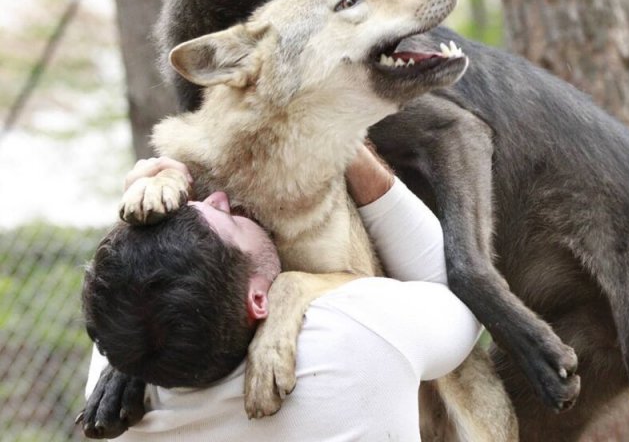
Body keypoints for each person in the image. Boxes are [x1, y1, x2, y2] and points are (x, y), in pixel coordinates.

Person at [83, 148, 481, 441]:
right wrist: (346, 143)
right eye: (228, 219)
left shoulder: (117, 391)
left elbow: (127, 301)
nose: (219, 196)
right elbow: (462, 301)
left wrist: (146, 214)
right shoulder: (356, 331)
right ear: (259, 300)